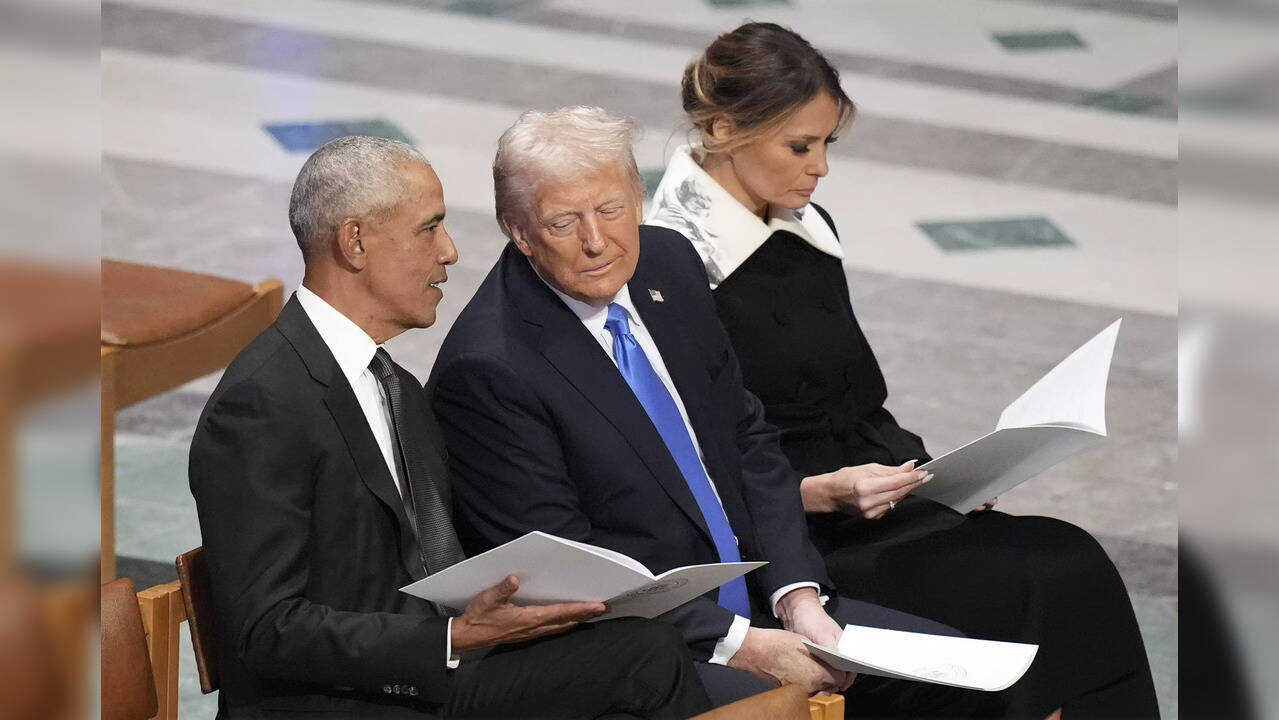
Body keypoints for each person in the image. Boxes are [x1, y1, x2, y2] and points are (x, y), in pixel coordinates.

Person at [644, 21, 1160, 719]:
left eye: (827, 144)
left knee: (1070, 556)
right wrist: (817, 494)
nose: (819, 166)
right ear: (728, 128)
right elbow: (683, 469)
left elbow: (852, 401)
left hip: (876, 503)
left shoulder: (806, 229)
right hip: (789, 544)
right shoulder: (670, 266)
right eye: (801, 145)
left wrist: (935, 470)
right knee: (1023, 579)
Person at [428, 106, 996, 717]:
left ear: (638, 197)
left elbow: (746, 439)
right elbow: (568, 569)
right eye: (564, 221)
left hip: (760, 595)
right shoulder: (489, 369)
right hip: (649, 642)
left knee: (960, 676)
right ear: (517, 230)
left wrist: (798, 596)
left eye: (613, 210)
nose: (597, 241)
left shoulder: (667, 261)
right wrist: (742, 643)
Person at [187, 135, 710, 719]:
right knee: (643, 661)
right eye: (428, 229)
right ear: (355, 242)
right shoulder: (263, 403)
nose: (451, 251)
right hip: (345, 701)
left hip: (430, 677)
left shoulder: (396, 386)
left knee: (641, 647)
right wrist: (450, 639)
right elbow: (266, 630)